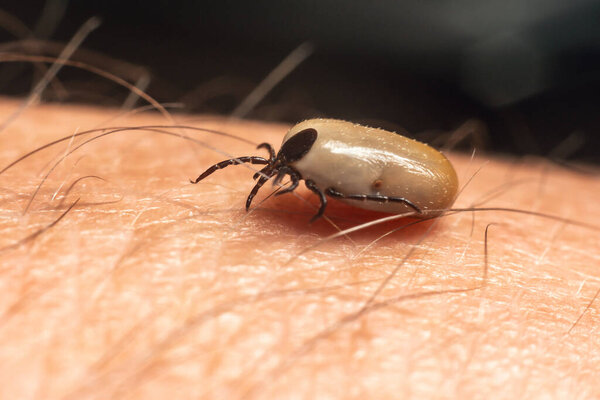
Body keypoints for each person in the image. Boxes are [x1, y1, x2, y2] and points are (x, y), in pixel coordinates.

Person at [0, 99, 598, 399]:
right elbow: (321, 186)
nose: (270, 176)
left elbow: (324, 191)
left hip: (417, 191)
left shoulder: (315, 164)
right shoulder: (308, 150)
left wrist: (316, 200)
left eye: (278, 169)